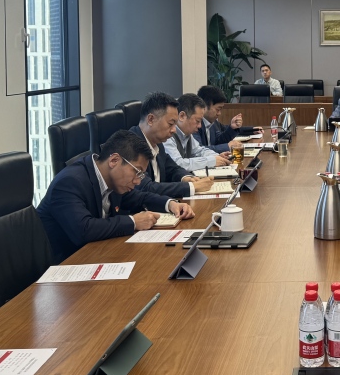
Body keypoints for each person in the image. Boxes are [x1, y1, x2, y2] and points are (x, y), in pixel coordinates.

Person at [37, 129, 194, 263]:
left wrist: (170, 204)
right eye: (137, 172)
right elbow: (83, 230)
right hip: (65, 266)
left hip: (96, 255)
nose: (138, 181)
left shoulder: (112, 181)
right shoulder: (69, 182)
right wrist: (133, 222)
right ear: (114, 160)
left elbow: (139, 197)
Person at [131, 91, 212, 197]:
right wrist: (191, 187)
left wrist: (187, 178)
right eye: (170, 124)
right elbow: (146, 187)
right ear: (151, 119)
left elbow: (172, 168)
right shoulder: (131, 146)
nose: (174, 130)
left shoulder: (158, 142)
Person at [164, 93, 231, 170]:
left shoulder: (187, 134)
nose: (199, 126)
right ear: (182, 116)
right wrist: (211, 161)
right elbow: (178, 164)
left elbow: (199, 151)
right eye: (197, 121)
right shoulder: (168, 135)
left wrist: (217, 157)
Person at [196, 85, 244, 153]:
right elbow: (198, 150)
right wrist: (227, 146)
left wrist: (232, 128)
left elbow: (218, 141)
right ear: (204, 106)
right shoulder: (195, 124)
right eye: (218, 109)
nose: (219, 113)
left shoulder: (212, 122)